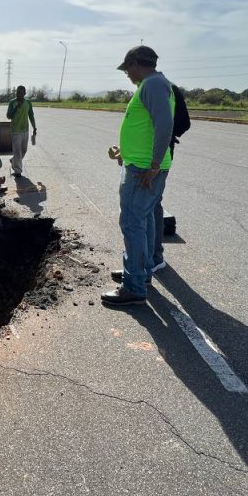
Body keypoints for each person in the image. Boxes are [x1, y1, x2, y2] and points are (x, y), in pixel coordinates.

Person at [102, 46, 174, 307]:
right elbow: (147, 128)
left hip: (143, 170)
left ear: (135, 63)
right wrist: (126, 149)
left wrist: (153, 165)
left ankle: (133, 287)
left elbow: (164, 125)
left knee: (133, 223)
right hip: (142, 164)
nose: (127, 74)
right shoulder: (154, 84)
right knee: (143, 221)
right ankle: (139, 273)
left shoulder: (153, 85)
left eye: (127, 69)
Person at [150, 83, 190, 272]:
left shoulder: (161, 89)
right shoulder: (157, 87)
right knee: (151, 206)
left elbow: (182, 123)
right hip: (152, 157)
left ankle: (153, 257)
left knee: (151, 207)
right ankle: (149, 257)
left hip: (153, 160)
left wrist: (167, 135)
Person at [5, 85, 37, 177]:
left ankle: (13, 160)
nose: (18, 94)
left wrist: (34, 127)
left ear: (24, 93)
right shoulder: (12, 102)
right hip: (15, 130)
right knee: (17, 151)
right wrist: (16, 108)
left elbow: (31, 116)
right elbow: (8, 116)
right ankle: (18, 171)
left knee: (24, 150)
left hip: (25, 130)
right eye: (17, 92)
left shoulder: (28, 103)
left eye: (21, 93)